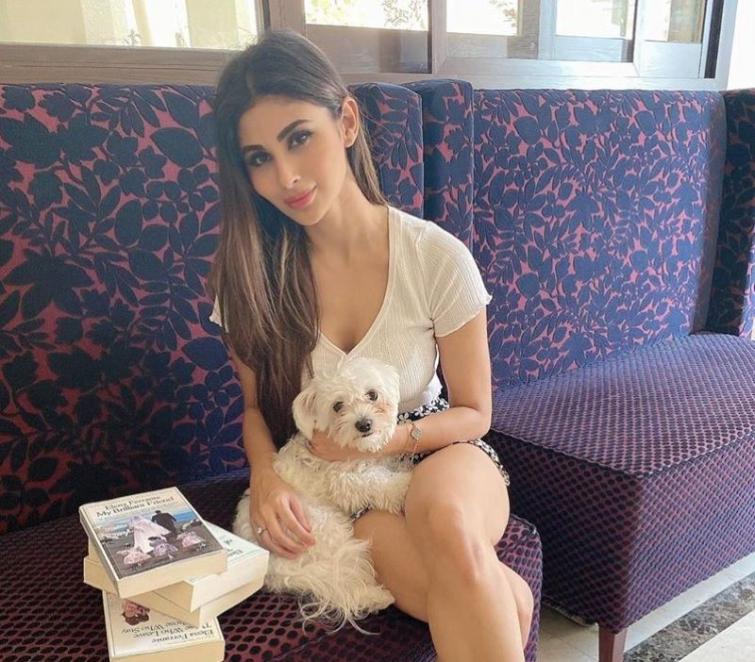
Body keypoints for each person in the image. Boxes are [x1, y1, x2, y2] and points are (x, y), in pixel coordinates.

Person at [207, 28, 534, 662]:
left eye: (299, 138)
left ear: (348, 122)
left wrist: (386, 440)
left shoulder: (435, 257)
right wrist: (266, 479)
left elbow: (475, 412)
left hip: (441, 449)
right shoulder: (249, 278)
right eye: (259, 158)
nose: (286, 176)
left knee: (448, 524)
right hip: (341, 484)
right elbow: (253, 408)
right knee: (506, 600)